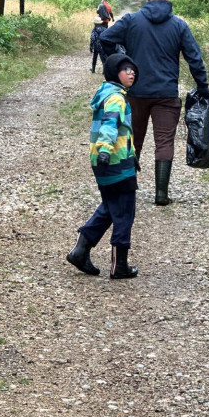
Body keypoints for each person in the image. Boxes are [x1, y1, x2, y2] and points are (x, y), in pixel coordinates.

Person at [100, 0, 209, 206]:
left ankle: (128, 193)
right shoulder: (179, 25)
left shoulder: (131, 21)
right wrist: (204, 90)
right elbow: (195, 59)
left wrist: (117, 66)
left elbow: (105, 38)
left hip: (135, 93)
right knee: (164, 141)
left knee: (132, 140)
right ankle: (161, 194)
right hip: (166, 94)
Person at [67, 53, 139, 279]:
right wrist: (106, 150)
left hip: (105, 162)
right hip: (114, 161)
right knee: (125, 210)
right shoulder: (116, 98)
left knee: (111, 206)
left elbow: (122, 131)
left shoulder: (106, 94)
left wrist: (132, 154)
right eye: (126, 69)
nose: (132, 73)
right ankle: (120, 266)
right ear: (114, 73)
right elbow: (109, 125)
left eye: (133, 69)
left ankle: (81, 249)